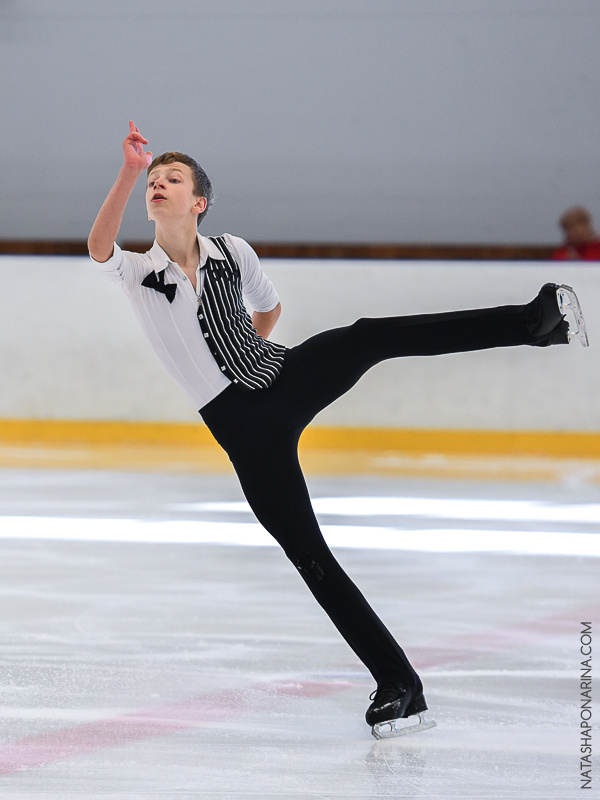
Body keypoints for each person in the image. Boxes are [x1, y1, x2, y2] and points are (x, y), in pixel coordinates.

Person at [88, 121, 589, 739]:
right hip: (243, 428)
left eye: (173, 178)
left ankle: (534, 324)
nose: (158, 185)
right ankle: (399, 684)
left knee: (367, 337)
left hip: (283, 375)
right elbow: (99, 245)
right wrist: (128, 172)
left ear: (200, 202)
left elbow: (268, 306)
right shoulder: (139, 273)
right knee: (311, 557)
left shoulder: (233, 253)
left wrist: (248, 354)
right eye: (153, 181)